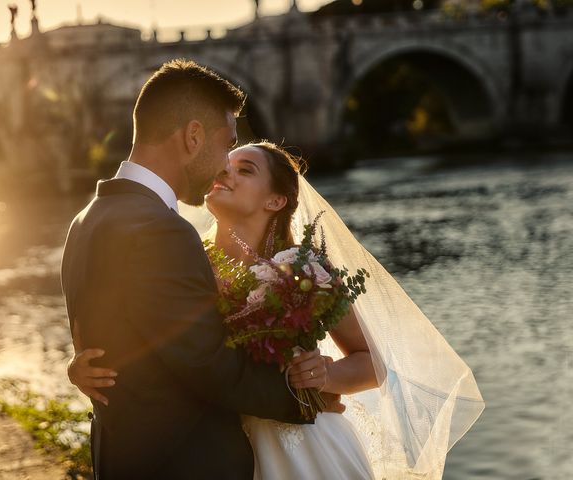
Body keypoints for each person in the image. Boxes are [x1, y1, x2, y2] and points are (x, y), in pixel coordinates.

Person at [71, 140, 485, 479]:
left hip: (304, 446)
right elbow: (158, 340)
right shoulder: (187, 259)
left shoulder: (303, 269)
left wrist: (327, 374)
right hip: (216, 446)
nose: (225, 172)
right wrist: (81, 366)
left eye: (245, 169)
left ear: (275, 201)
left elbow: (373, 363)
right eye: (225, 163)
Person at [61, 59, 342, 480]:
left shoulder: (86, 219)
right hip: (184, 464)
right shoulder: (160, 230)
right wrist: (304, 398)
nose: (225, 166)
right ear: (193, 137)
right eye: (226, 144)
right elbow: (206, 363)